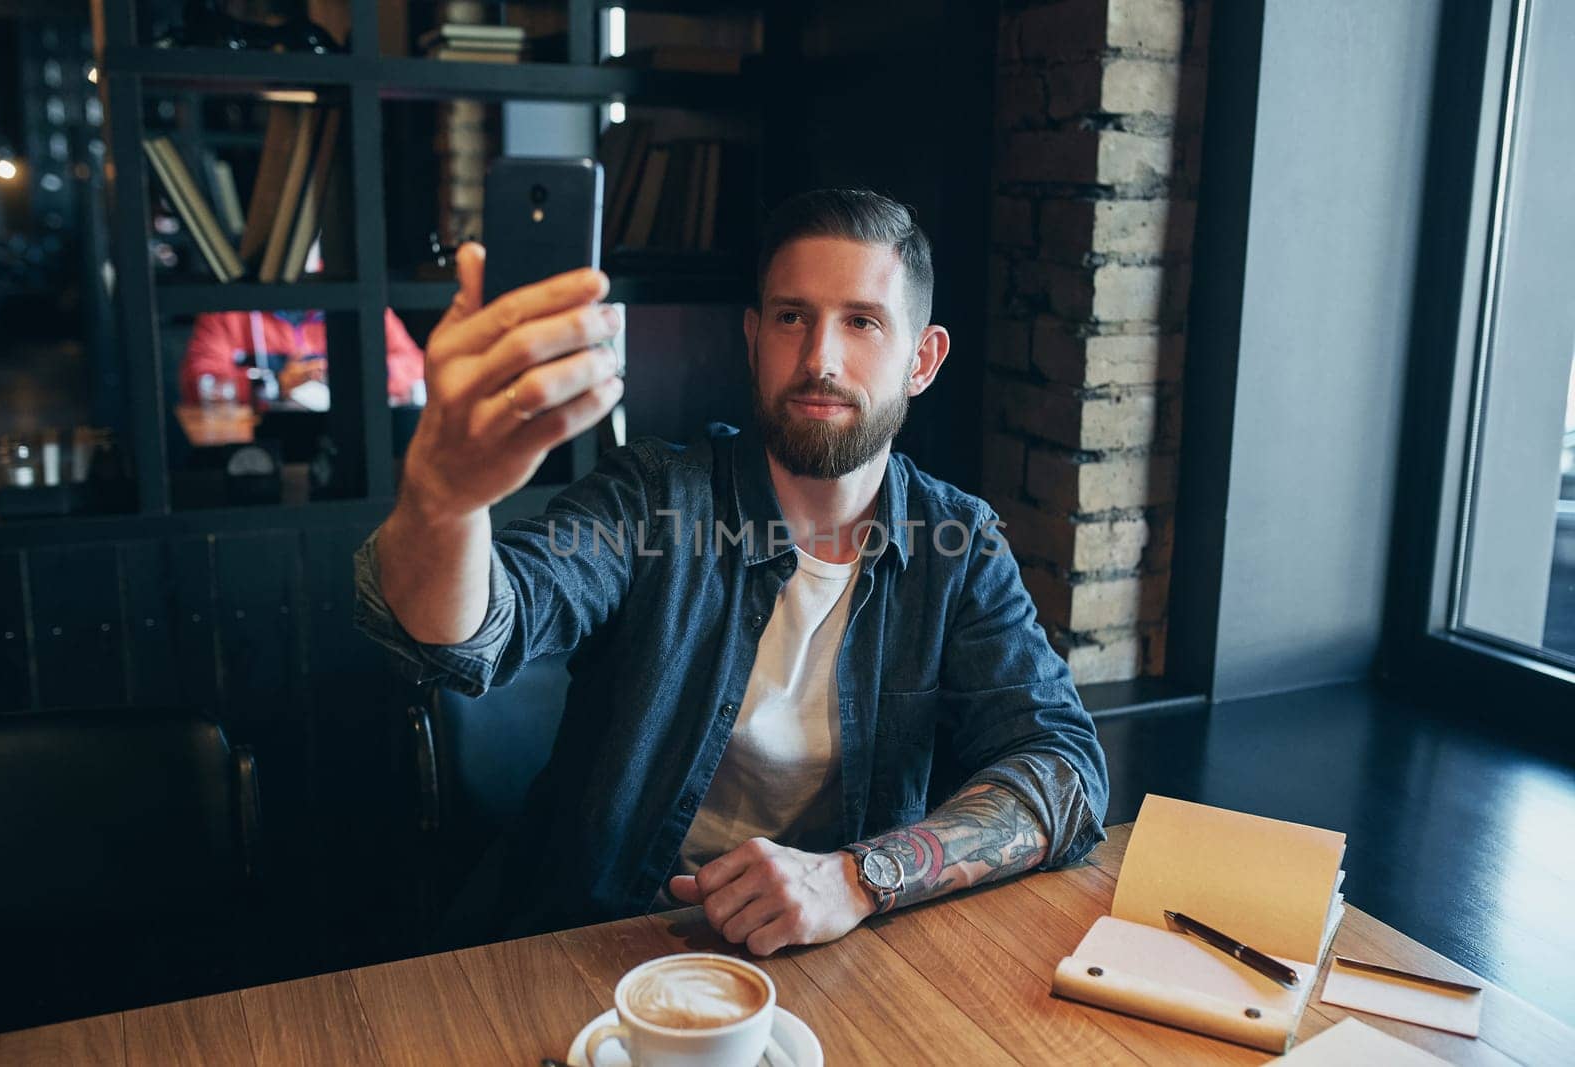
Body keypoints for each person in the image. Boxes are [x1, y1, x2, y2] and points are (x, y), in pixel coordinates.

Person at [353, 189, 1108, 954]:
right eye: (791, 317)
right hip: (606, 946)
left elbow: (1066, 770)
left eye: (862, 321)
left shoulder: (958, 544)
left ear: (922, 359)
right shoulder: (653, 499)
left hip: (835, 954)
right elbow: (471, 631)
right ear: (753, 337)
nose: (819, 358)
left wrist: (857, 877)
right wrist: (444, 501)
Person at [179, 308, 426, 407]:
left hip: (348, 438)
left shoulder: (354, 297)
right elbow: (197, 382)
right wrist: (274, 384)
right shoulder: (229, 308)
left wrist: (352, 372)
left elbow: (416, 365)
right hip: (260, 449)